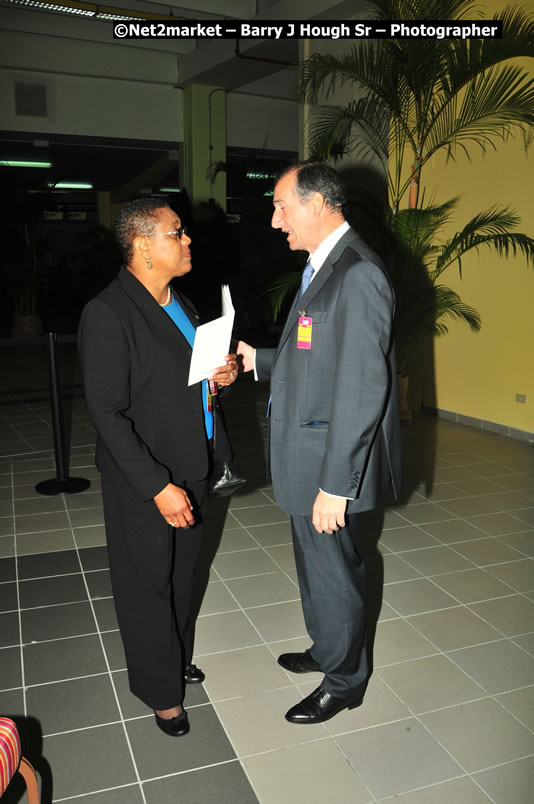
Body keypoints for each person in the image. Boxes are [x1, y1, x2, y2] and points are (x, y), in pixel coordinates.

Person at [237, 162, 401, 724]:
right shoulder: (322, 266)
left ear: (317, 204)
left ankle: (346, 681)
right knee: (315, 566)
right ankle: (328, 648)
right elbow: (315, 352)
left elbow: (361, 386)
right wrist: (258, 360)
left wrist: (337, 485)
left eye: (281, 206)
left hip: (330, 463)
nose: (275, 220)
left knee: (334, 572)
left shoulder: (358, 274)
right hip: (306, 453)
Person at [78, 198, 238, 737]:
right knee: (146, 584)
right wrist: (157, 487)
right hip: (145, 476)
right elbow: (106, 412)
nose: (188, 240)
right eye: (177, 233)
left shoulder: (181, 303)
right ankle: (160, 691)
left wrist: (221, 374)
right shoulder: (109, 312)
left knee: (183, 573)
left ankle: (176, 657)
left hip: (193, 459)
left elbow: (184, 378)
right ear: (143, 245)